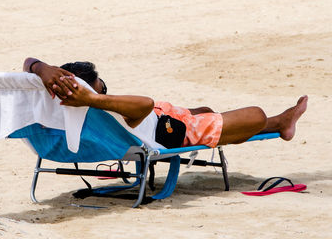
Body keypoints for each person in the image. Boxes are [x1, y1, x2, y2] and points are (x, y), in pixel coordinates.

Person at [23, 58, 308, 148]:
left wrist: (39, 69)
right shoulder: (102, 107)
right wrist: (97, 99)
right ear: (88, 89)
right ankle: (280, 123)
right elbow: (145, 104)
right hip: (169, 132)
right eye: (101, 85)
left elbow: (25, 63)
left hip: (166, 119)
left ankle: (281, 122)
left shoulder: (55, 105)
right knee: (256, 116)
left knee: (206, 110)